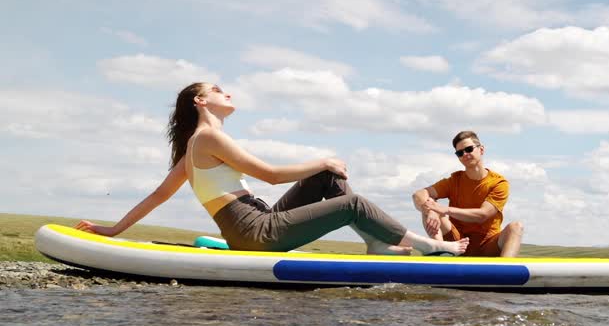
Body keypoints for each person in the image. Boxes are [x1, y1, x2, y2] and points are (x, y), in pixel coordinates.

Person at [75, 82, 468, 256]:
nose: (227, 93)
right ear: (201, 101)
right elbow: (271, 175)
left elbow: (159, 195)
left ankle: (376, 244)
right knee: (355, 201)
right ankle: (429, 245)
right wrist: (324, 158)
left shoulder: (196, 146)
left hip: (259, 221)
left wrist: (113, 230)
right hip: (254, 231)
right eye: (218, 90)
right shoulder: (208, 138)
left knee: (328, 180)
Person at [412, 130, 523, 257]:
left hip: (487, 246)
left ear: (481, 150)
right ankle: (440, 255)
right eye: (460, 153)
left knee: (516, 227)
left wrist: (443, 209)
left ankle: (504, 273)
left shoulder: (498, 183)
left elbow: (482, 215)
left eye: (469, 149)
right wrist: (430, 210)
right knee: (429, 202)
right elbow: (418, 195)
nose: (465, 154)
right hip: (456, 244)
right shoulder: (454, 180)